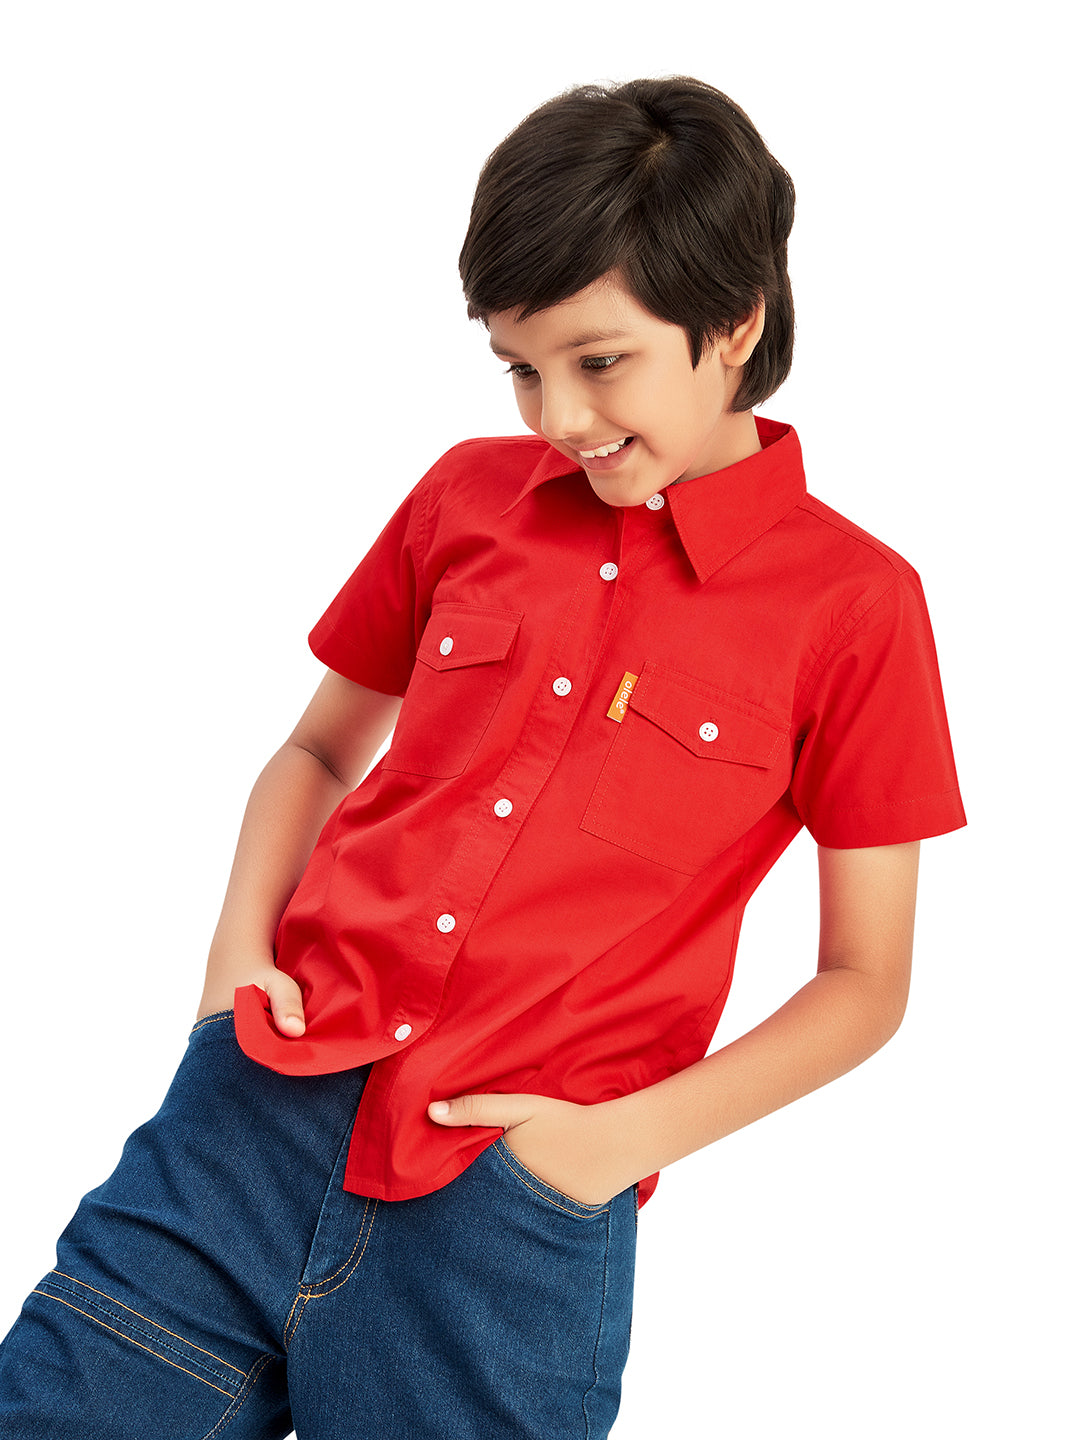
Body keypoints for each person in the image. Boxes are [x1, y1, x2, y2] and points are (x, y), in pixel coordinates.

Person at [0, 76, 965, 1439]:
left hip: (503, 1215)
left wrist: (605, 1149)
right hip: (248, 1123)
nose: (558, 415)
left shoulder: (855, 607)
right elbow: (317, 750)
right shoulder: (468, 496)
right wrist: (233, 966)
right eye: (520, 368)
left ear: (737, 322)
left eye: (600, 360)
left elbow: (865, 982)